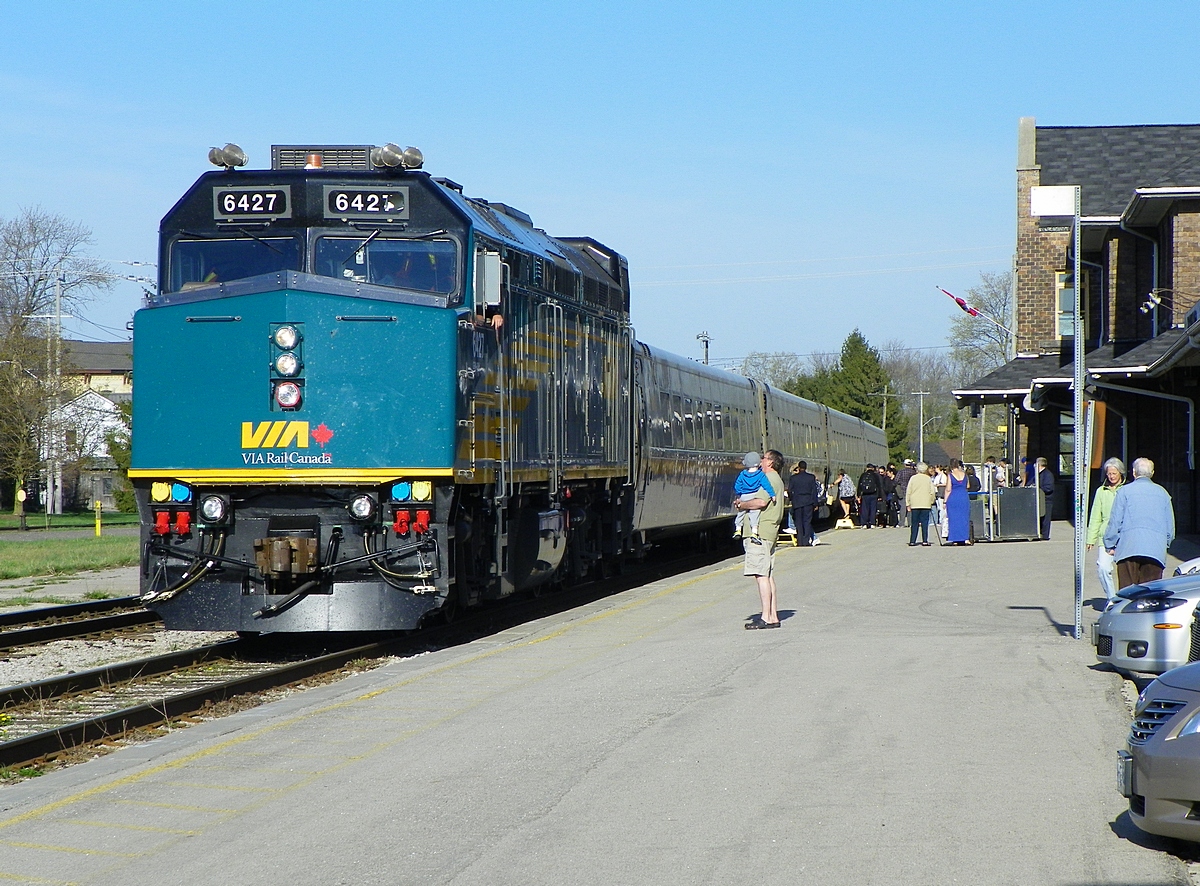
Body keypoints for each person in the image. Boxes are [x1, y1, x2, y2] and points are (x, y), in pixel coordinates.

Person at [1103, 457, 1175, 590]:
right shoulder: (1163, 493)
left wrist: (1109, 544)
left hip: (1128, 548)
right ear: (1152, 473)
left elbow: (1115, 521)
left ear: (1134, 472)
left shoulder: (1124, 491)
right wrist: (1164, 544)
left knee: (1128, 593)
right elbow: (1170, 528)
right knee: (1150, 594)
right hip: (1155, 551)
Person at [737, 449, 785, 629]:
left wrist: (742, 505)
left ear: (770, 462)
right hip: (769, 532)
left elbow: (760, 502)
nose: (761, 460)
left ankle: (765, 617)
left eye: (764, 458)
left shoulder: (770, 479)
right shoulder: (777, 480)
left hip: (760, 533)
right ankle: (772, 616)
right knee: (768, 574)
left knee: (761, 575)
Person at [1086, 457, 1126, 600]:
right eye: (1109, 474)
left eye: (1114, 473)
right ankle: (1112, 598)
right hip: (1106, 536)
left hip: (1125, 536)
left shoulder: (1127, 490)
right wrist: (1090, 538)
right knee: (1103, 568)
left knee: (1126, 571)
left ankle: (1126, 599)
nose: (1111, 476)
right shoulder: (1101, 491)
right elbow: (1095, 515)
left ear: (1120, 473)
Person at [732, 451, 775, 543]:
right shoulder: (760, 474)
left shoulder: (743, 474)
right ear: (759, 463)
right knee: (755, 513)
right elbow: (766, 485)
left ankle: (738, 529)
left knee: (741, 512)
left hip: (744, 496)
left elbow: (737, 485)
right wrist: (772, 495)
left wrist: (740, 493)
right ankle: (754, 532)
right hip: (754, 496)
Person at [787, 460, 820, 546]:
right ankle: (806, 541)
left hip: (797, 502)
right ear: (806, 467)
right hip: (808, 502)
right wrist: (815, 504)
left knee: (798, 522)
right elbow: (814, 491)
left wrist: (792, 499)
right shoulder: (811, 477)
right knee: (807, 522)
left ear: (798, 467)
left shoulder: (793, 478)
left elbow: (789, 490)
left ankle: (800, 542)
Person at [905, 461, 936, 546]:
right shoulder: (928, 479)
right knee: (925, 523)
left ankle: (912, 540)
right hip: (925, 503)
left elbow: (908, 491)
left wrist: (908, 503)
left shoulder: (913, 478)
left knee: (914, 523)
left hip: (915, 503)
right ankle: (925, 540)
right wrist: (931, 501)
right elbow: (932, 492)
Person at [944, 458, 971, 545]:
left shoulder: (950, 475)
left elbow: (948, 489)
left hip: (954, 497)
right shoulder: (964, 474)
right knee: (964, 518)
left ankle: (955, 539)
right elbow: (968, 485)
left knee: (954, 518)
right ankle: (965, 538)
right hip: (963, 496)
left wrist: (945, 501)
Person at [1036, 456, 1055, 539]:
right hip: (1039, 500)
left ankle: (1045, 535)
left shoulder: (1048, 474)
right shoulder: (1038, 474)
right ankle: (1039, 533)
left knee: (1045, 518)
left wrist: (1038, 489)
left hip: (1046, 500)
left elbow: (1049, 488)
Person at [857, 464, 880, 529]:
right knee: (873, 509)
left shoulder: (863, 475)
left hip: (865, 494)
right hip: (874, 494)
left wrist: (858, 495)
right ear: (873, 468)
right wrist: (879, 495)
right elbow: (879, 486)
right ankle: (872, 523)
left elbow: (859, 485)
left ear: (867, 468)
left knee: (864, 509)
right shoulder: (875, 475)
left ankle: (864, 523)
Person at [895, 459, 917, 527]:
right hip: (912, 491)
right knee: (910, 507)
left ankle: (902, 523)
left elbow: (896, 481)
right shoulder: (914, 472)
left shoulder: (901, 472)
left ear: (904, 464)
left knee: (903, 507)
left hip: (903, 491)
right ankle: (910, 523)